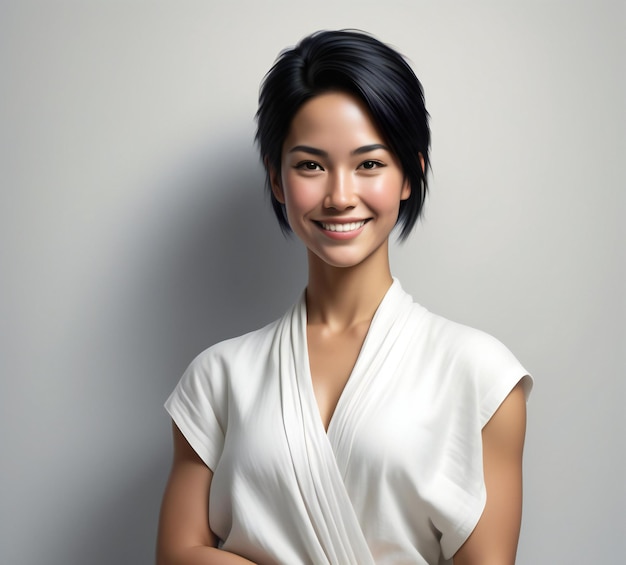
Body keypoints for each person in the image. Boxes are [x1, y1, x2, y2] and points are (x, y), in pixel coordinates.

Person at [156, 29, 532, 565]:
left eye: (370, 164)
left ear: (410, 175)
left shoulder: (481, 375)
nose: (339, 195)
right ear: (278, 180)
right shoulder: (217, 377)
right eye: (310, 164)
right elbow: (177, 555)